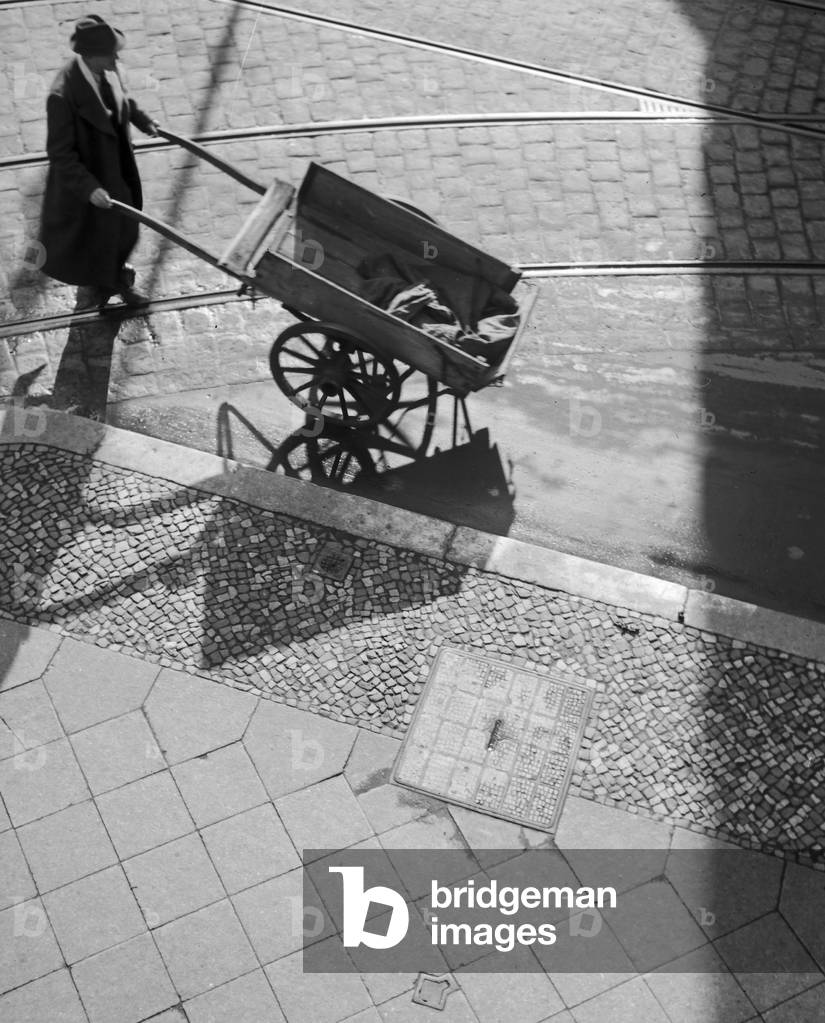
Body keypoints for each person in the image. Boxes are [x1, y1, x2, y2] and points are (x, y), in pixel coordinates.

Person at [39, 15, 160, 310]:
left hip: (115, 168)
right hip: (91, 181)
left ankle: (109, 276)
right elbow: (60, 153)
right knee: (110, 234)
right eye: (110, 52)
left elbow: (120, 100)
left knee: (124, 229)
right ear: (91, 56)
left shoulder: (103, 71)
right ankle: (112, 284)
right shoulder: (62, 96)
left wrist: (142, 120)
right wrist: (89, 188)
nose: (116, 56)